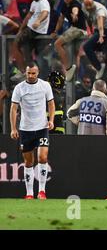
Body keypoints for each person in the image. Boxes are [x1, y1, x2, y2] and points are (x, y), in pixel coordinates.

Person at [9, 63, 55, 199]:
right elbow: (13, 109)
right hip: (26, 129)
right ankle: (29, 193)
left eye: (33, 73)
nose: (30, 76)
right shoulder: (19, 88)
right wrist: (13, 128)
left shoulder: (45, 86)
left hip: (42, 127)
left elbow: (51, 104)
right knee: (28, 162)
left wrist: (51, 120)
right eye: (28, 73)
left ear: (38, 72)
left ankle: (42, 191)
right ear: (25, 72)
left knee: (42, 157)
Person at [11, 0, 50, 82]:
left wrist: (38, 21)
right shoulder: (34, 2)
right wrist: (21, 28)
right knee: (25, 50)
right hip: (30, 29)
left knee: (16, 43)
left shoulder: (43, 2)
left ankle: (22, 71)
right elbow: (29, 15)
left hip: (35, 31)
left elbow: (45, 13)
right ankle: (27, 70)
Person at [51, 0, 88, 81]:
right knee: (75, 54)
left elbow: (75, 9)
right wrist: (55, 31)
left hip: (78, 30)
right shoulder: (64, 6)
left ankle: (68, 68)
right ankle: (76, 77)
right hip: (73, 29)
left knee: (57, 44)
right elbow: (61, 19)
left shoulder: (75, 4)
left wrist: (75, 15)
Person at [82, 0, 107, 80]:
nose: (89, 7)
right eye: (87, 6)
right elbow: (88, 18)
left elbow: (101, 25)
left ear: (93, 3)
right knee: (93, 48)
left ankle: (100, 68)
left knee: (87, 46)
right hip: (97, 29)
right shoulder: (84, 7)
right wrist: (91, 31)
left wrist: (101, 36)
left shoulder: (99, 10)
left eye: (90, 5)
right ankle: (101, 68)